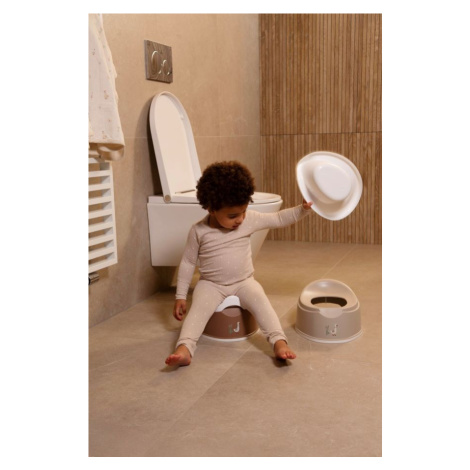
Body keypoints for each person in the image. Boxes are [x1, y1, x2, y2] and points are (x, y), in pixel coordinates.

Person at [165, 161, 312, 367]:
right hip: (211, 284)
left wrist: (302, 210)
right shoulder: (199, 231)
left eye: (244, 211)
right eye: (233, 215)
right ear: (211, 208)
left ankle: (279, 342)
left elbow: (278, 219)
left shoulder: (249, 219)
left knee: (262, 304)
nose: (241, 219)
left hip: (244, 281)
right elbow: (188, 262)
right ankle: (185, 348)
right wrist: (180, 295)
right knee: (197, 312)